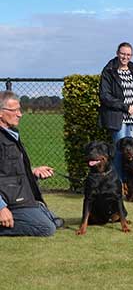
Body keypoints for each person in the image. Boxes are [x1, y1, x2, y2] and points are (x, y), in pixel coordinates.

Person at [0, 91, 62, 237]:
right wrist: (1, 208)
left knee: (55, 221)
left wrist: (33, 171)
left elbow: (7, 169)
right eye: (14, 110)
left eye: (19, 110)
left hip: (18, 196)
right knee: (46, 228)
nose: (20, 114)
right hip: (8, 200)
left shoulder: (11, 134)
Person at [98, 42, 133, 182]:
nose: (125, 57)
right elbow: (105, 96)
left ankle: (129, 185)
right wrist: (125, 107)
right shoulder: (109, 70)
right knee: (119, 152)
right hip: (118, 118)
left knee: (131, 154)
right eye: (123, 54)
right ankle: (117, 184)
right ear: (117, 53)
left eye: (128, 54)